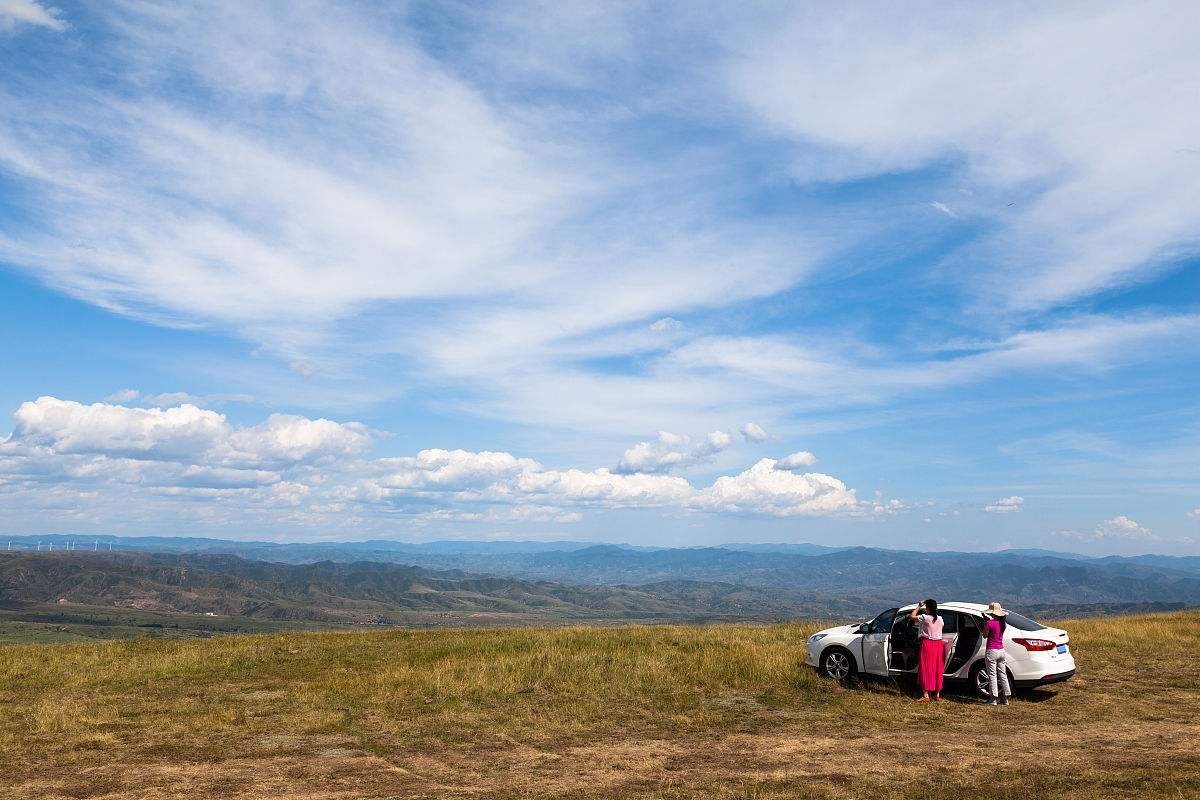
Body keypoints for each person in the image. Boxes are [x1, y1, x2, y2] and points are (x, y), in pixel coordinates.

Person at [909, 598, 945, 702]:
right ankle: (937, 694)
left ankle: (926, 695)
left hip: (928, 644)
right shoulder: (940, 619)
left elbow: (912, 616)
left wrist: (919, 606)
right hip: (938, 645)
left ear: (927, 608)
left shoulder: (925, 617)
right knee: (937, 668)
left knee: (926, 668)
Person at [982, 601, 1011, 706]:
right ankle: (1006, 697)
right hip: (1001, 650)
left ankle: (993, 698)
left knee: (992, 675)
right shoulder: (1004, 624)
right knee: (1003, 674)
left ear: (991, 613)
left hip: (991, 651)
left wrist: (985, 622)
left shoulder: (989, 623)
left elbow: (985, 635)